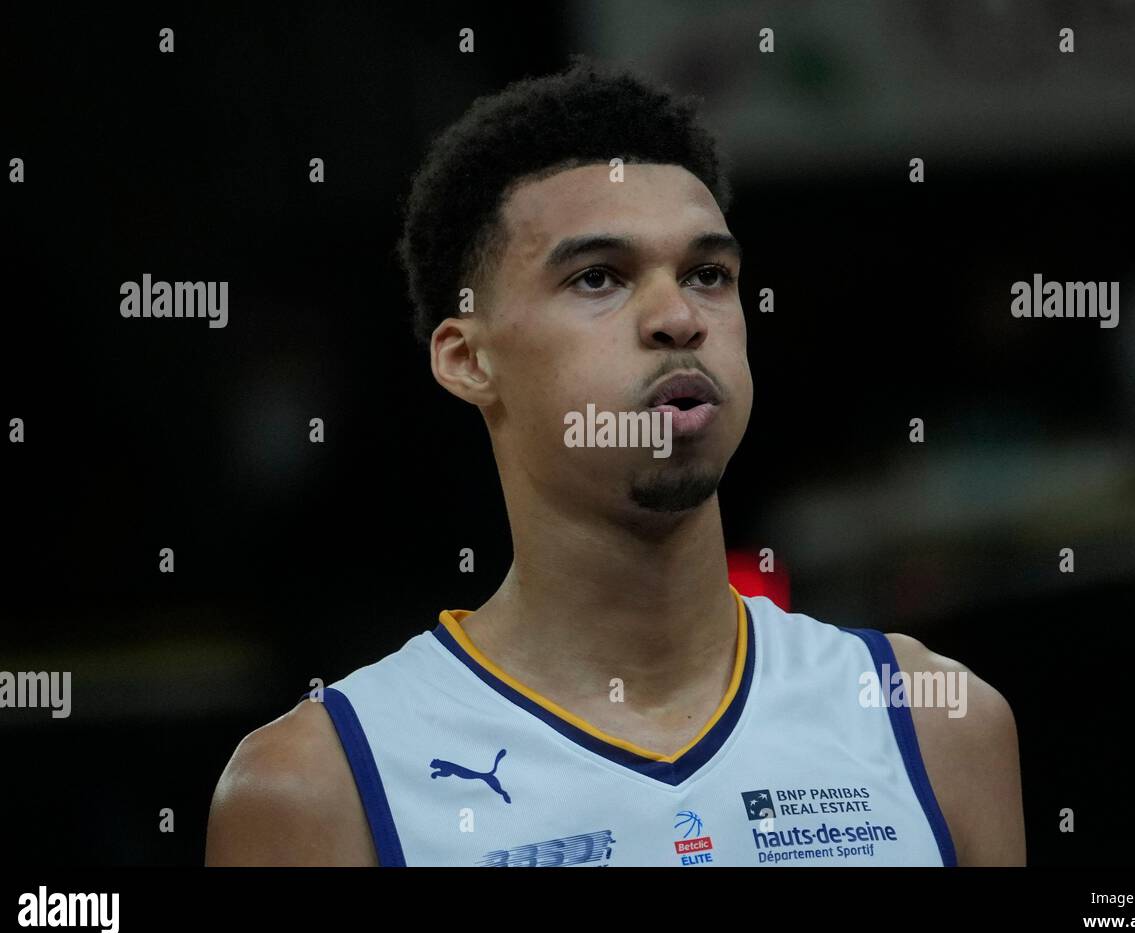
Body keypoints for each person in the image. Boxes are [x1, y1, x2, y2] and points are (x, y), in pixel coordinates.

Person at [205, 55, 1025, 867]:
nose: (677, 317)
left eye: (708, 274)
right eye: (599, 278)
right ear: (467, 359)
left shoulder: (933, 721)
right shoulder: (318, 787)